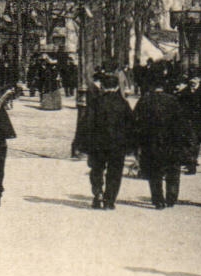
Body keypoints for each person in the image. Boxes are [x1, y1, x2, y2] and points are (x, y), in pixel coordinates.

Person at [72, 70, 134, 209]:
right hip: (117, 145)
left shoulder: (95, 103)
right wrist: (131, 145)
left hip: (97, 144)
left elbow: (86, 123)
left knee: (97, 169)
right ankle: (109, 200)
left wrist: (81, 142)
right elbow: (131, 126)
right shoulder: (123, 104)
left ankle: (98, 193)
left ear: (103, 87)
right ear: (117, 87)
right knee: (115, 171)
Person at [133, 76, 192, 209]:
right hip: (172, 142)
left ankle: (158, 199)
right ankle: (171, 198)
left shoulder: (144, 100)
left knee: (154, 172)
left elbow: (135, 122)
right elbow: (182, 122)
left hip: (151, 142)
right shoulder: (173, 100)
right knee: (173, 170)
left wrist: (137, 142)